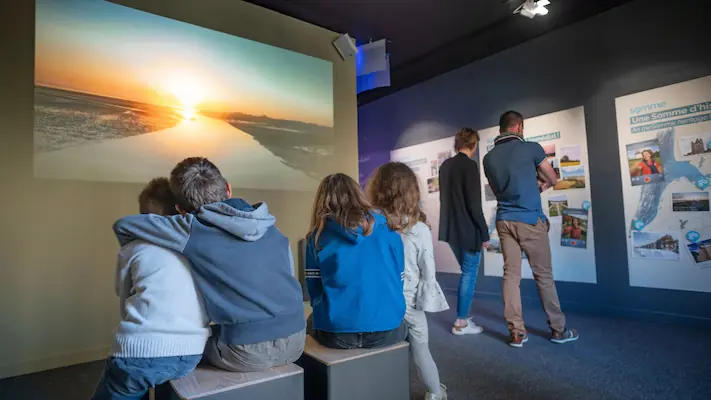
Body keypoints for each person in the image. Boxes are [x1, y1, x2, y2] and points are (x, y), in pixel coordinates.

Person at [113, 157, 306, 372]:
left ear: (180, 210)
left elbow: (123, 225)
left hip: (246, 353)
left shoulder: (191, 229)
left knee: (176, 348)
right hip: (298, 338)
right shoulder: (269, 224)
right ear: (228, 189)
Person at [92, 178, 210, 400]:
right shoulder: (197, 252)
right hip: (192, 352)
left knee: (125, 384)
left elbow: (122, 292)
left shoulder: (133, 248)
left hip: (138, 354)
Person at [482, 110, 579, 348]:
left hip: (504, 220)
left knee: (510, 276)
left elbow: (498, 189)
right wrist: (540, 185)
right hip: (529, 220)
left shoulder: (488, 158)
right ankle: (558, 329)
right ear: (519, 127)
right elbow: (553, 177)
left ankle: (516, 333)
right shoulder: (532, 148)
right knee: (543, 276)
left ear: (501, 129)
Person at [367, 162, 450, 400]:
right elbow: (428, 270)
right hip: (410, 303)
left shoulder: (372, 225)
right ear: (412, 192)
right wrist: (426, 300)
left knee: (381, 350)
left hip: (381, 300)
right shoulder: (419, 229)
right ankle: (435, 393)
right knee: (421, 349)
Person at [305, 173, 407, 349]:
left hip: (337, 334)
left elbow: (314, 290)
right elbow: (400, 279)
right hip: (388, 329)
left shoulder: (317, 237)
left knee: (310, 321)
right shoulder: (389, 229)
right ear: (358, 194)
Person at [438, 128, 490, 335]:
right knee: (469, 274)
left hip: (451, 230)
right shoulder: (469, 166)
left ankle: (462, 318)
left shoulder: (445, 166)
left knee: (466, 273)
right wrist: (484, 234)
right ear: (474, 145)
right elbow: (474, 206)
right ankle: (461, 322)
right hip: (468, 231)